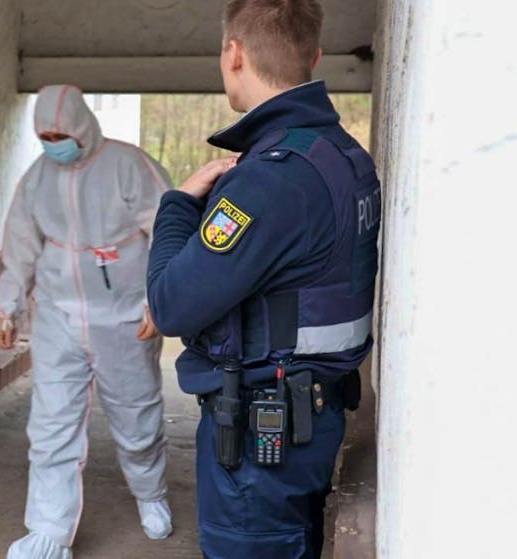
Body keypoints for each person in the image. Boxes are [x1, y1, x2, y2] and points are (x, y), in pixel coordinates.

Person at [146, 1, 381, 557]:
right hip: (312, 419)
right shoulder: (344, 156)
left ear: (233, 53)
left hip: (258, 444)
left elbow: (172, 305)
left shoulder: (269, 181)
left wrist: (177, 207)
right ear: (315, 57)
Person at [0, 85, 174, 559]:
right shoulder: (37, 178)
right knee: (51, 424)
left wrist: (160, 303)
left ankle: (151, 494)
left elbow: (169, 233)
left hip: (124, 314)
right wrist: (7, 306)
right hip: (58, 315)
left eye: (61, 133)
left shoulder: (129, 166)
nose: (55, 142)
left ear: (82, 125)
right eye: (45, 135)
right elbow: (20, 246)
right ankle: (49, 531)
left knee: (136, 415)